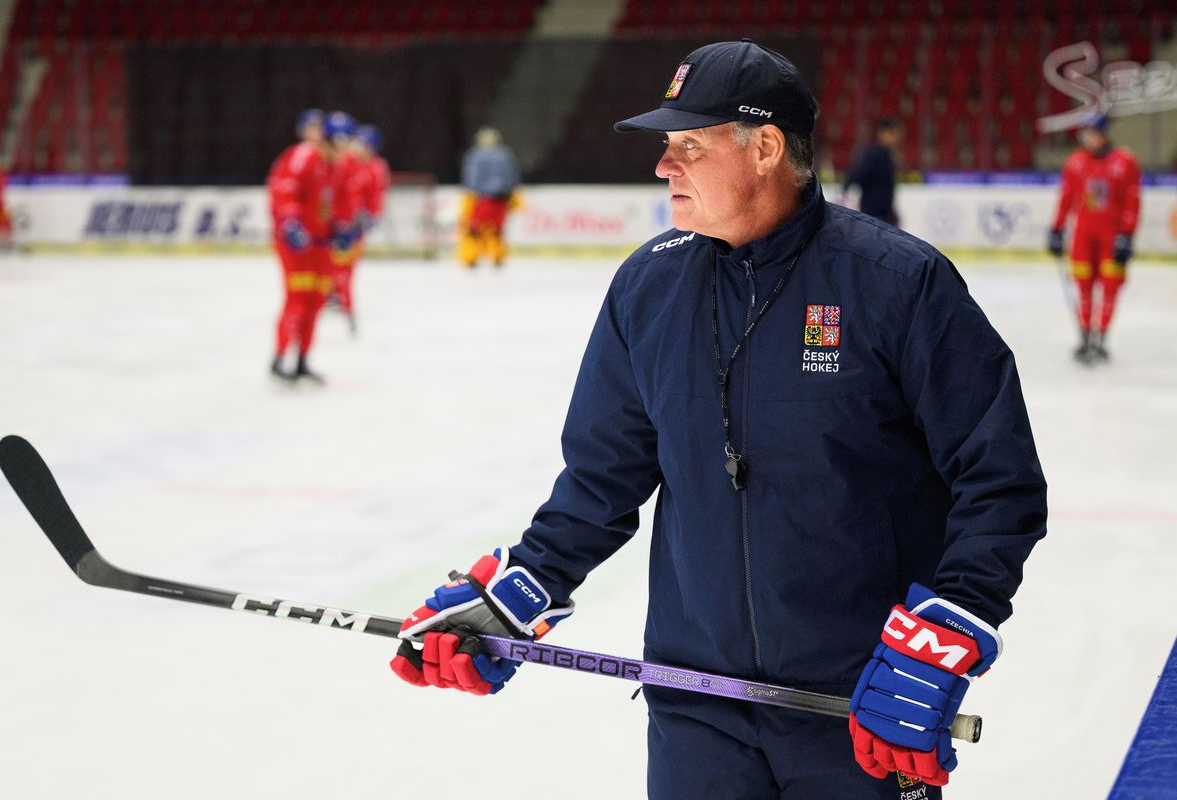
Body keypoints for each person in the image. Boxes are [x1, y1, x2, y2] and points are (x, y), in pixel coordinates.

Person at [391, 40, 1047, 799]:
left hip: (860, 705)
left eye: (689, 146)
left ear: (765, 148)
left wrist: (947, 628)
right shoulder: (648, 287)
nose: (663, 166)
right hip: (693, 706)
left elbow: (998, 479)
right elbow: (603, 478)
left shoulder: (898, 282)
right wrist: (523, 586)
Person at [1048, 114, 1140, 364]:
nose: (1087, 138)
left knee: (1110, 286)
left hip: (1112, 235)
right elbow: (1067, 197)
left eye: (1092, 133)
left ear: (1103, 133)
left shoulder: (1124, 162)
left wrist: (1127, 234)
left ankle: (1101, 337)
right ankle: (1086, 335)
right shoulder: (1076, 162)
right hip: (1084, 235)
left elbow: (1132, 200)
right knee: (1084, 285)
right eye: (1085, 133)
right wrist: (1057, 228)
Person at [266, 108, 343, 383]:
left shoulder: (331, 164)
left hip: (319, 245)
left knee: (316, 302)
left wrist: (338, 227)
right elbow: (284, 191)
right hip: (298, 245)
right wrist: (290, 223)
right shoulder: (304, 156)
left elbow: (329, 204)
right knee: (298, 300)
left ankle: (302, 360)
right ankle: (279, 358)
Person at [327, 124, 390, 333]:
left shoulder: (376, 167)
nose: (361, 149)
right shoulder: (346, 161)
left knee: (346, 266)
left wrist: (370, 216)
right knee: (330, 262)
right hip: (337, 222)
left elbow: (376, 196)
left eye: (365, 145)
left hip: (355, 225)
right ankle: (332, 294)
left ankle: (343, 300)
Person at [457, 126, 520, 268]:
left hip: (480, 199)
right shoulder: (505, 155)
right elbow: (511, 177)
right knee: (497, 230)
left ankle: (471, 257)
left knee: (474, 230)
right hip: (500, 200)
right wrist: (510, 194)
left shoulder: (475, 155)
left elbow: (471, 178)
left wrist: (471, 195)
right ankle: (498, 256)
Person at [843, 118, 902, 226]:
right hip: (873, 214)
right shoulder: (874, 155)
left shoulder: (887, 155)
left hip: (883, 213)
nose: (897, 138)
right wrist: (847, 187)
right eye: (894, 133)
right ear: (883, 133)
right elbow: (857, 174)